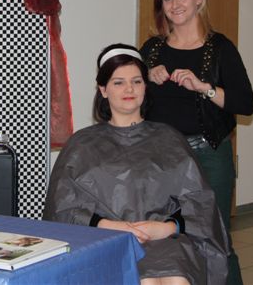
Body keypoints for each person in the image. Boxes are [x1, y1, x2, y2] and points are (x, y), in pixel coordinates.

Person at [43, 44, 229, 285]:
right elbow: (62, 208)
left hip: (166, 240)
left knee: (177, 280)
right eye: (118, 82)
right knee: (144, 281)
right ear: (103, 89)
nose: (129, 89)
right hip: (104, 239)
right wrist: (111, 226)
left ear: (145, 87)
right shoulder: (81, 144)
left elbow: (199, 203)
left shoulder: (169, 139)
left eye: (137, 81)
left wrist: (166, 228)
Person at [140, 0, 253, 285]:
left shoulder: (220, 48)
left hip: (209, 156)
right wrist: (144, 77)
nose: (175, 4)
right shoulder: (151, 50)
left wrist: (204, 87)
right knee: (166, 240)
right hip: (160, 158)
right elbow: (122, 96)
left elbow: (246, 104)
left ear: (199, 0)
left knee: (217, 241)